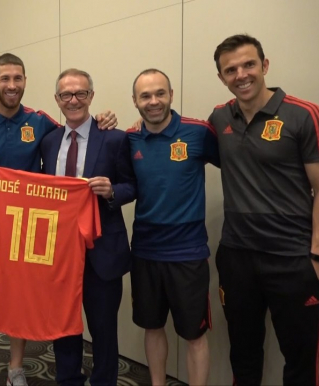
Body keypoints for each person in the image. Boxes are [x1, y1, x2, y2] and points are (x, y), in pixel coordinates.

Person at [0, 53, 117, 386]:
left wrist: (102, 119)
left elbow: (77, 128)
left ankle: (15, 367)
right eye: (5, 79)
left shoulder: (41, 121)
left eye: (18, 78)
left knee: (21, 298)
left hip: (27, 230)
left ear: (25, 81)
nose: (12, 85)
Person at [208, 34, 319, 385]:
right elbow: (179, 137)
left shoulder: (305, 115)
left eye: (249, 64)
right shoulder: (220, 118)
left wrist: (317, 258)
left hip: (292, 260)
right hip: (237, 258)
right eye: (230, 69)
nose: (241, 74)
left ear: (264, 66)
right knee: (244, 357)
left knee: (300, 362)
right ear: (222, 77)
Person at [39, 68, 136, 386]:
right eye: (66, 94)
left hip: (101, 250)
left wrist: (112, 192)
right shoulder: (49, 142)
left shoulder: (114, 138)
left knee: (104, 328)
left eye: (81, 93)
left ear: (91, 96)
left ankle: (104, 381)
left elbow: (132, 186)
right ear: (57, 99)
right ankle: (68, 379)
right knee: (63, 324)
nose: (73, 100)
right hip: (59, 251)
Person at [128, 68, 219, 386]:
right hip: (145, 252)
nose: (153, 101)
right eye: (145, 95)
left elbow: (241, 162)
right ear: (135, 101)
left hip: (188, 253)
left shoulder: (199, 132)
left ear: (171, 94)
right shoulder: (130, 138)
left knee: (194, 334)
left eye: (160, 93)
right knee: (152, 327)